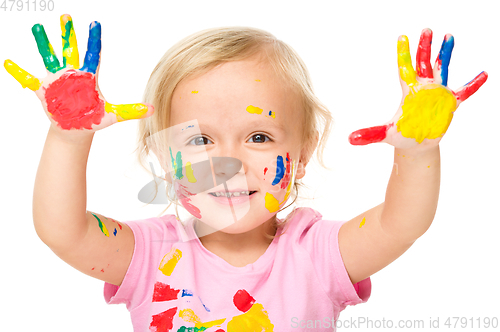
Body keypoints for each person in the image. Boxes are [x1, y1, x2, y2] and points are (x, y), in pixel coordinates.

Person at [4, 14, 487, 331]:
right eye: (199, 139)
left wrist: (419, 152)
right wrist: (69, 137)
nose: (228, 161)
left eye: (259, 137)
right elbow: (61, 230)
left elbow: (402, 223)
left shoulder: (315, 254)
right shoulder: (149, 254)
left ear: (301, 153)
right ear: (163, 156)